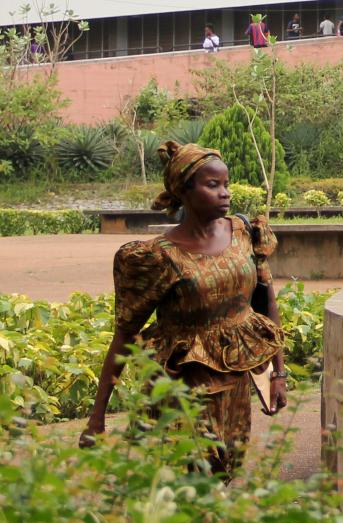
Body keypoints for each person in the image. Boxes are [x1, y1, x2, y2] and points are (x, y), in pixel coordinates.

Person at [81, 141, 286, 476]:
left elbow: (266, 304)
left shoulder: (244, 233)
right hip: (183, 386)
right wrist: (97, 416)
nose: (225, 193)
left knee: (226, 471)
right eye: (212, 185)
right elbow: (125, 334)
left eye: (226, 184)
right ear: (183, 191)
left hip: (235, 383)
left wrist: (278, 374)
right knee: (194, 473)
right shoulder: (157, 257)